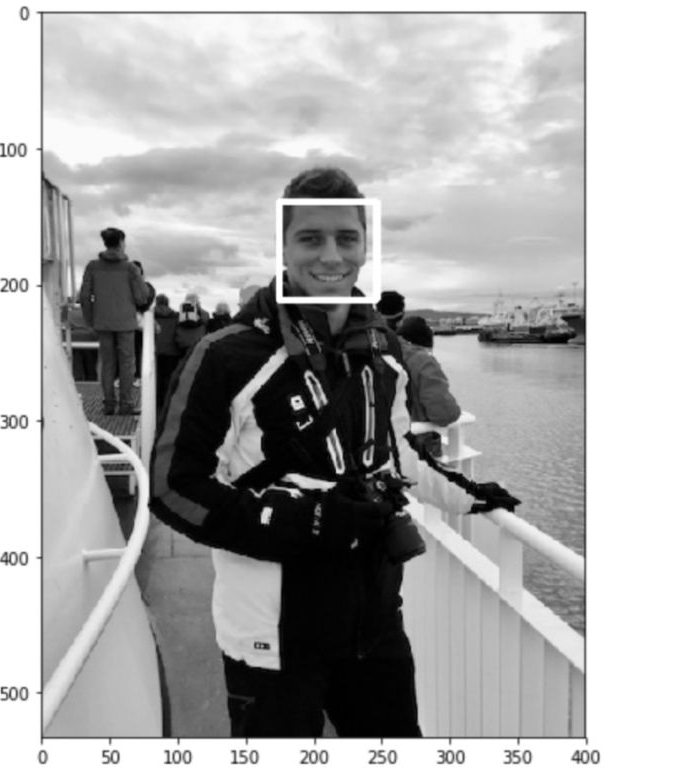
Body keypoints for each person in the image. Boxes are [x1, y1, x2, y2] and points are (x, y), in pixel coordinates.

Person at [148, 166, 519, 738]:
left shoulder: (383, 348)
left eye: (347, 238)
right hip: (271, 640)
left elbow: (397, 454)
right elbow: (173, 488)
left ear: (365, 246)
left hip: (375, 623)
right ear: (283, 247)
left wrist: (470, 497)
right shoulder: (227, 355)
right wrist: (309, 520)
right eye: (311, 238)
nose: (331, 256)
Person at [79, 227, 150, 414]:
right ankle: (126, 404)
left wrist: (90, 320)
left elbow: (84, 296)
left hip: (102, 322)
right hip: (125, 322)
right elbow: (142, 297)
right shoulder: (130, 268)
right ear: (121, 243)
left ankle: (109, 404)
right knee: (127, 364)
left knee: (107, 363)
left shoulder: (92, 266)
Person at [397, 316, 462, 458]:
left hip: (384, 445)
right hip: (417, 446)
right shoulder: (423, 362)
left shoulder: (383, 354)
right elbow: (445, 414)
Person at [151, 294, 181, 414]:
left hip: (156, 351)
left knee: (157, 378)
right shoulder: (176, 316)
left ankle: (157, 402)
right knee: (170, 377)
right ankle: (168, 400)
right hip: (172, 350)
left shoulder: (151, 316)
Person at [131, 261, 157, 387]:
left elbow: (145, 302)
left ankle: (139, 376)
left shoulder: (148, 287)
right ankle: (122, 377)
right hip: (127, 323)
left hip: (141, 325)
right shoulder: (123, 286)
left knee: (140, 351)